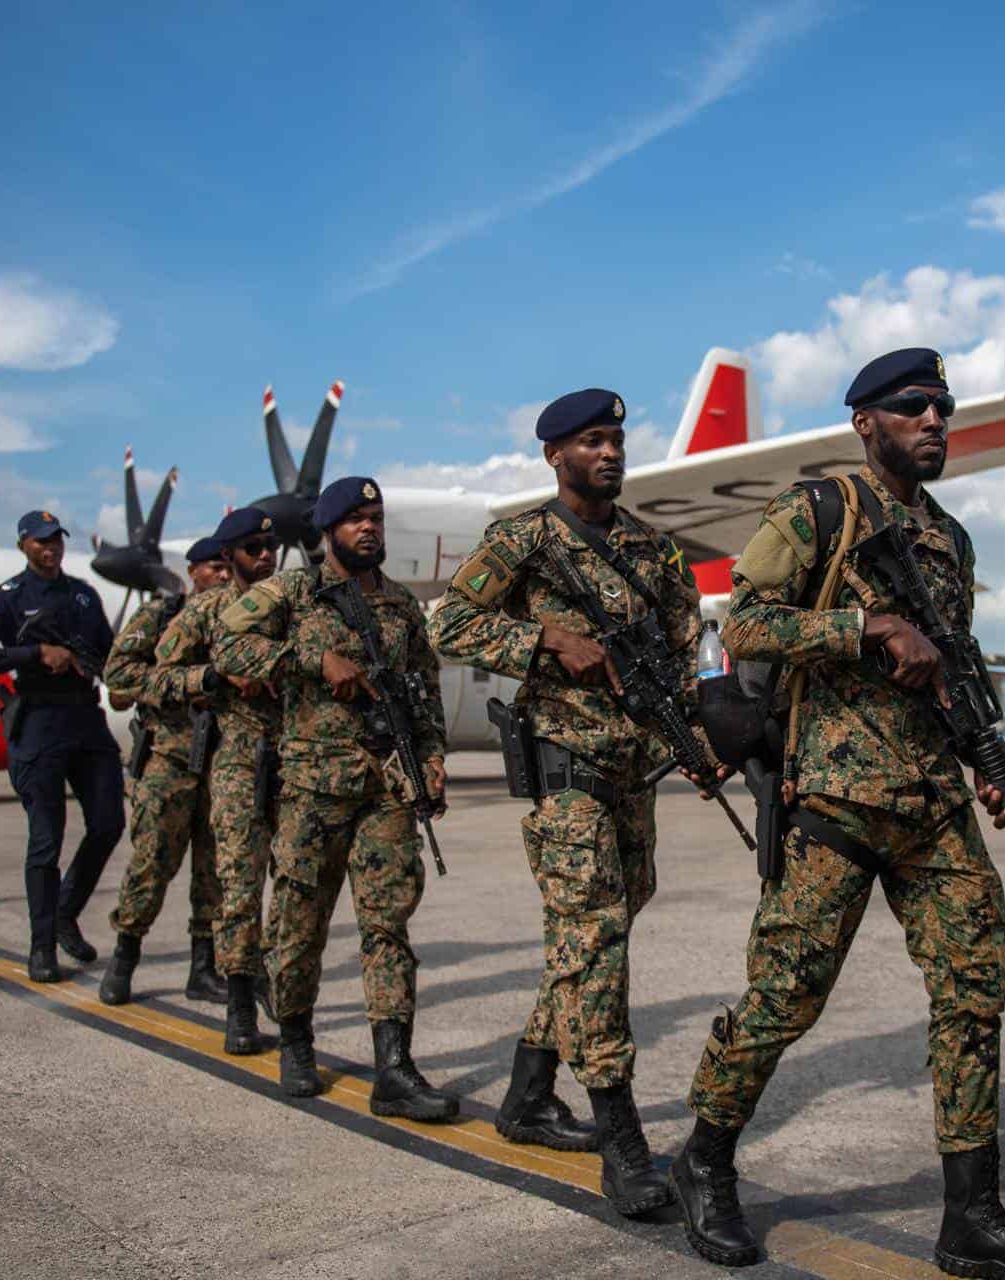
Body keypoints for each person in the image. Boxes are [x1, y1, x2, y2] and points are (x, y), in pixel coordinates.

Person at [675, 349, 1005, 1277]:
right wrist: (862, 626)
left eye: (943, 406)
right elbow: (742, 624)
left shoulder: (949, 540)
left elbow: (955, 667)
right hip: (833, 797)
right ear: (867, 423)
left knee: (977, 981)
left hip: (933, 803)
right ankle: (703, 1158)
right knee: (786, 997)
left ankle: (971, 1215)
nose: (934, 420)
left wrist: (993, 761)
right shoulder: (818, 510)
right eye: (913, 406)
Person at [430, 387, 712, 1212]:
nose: (610, 453)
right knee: (594, 941)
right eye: (592, 441)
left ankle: (526, 1092)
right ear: (555, 455)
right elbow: (447, 625)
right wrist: (545, 640)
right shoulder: (523, 541)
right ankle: (622, 1144)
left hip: (633, 768)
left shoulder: (653, 552)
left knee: (604, 925)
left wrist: (694, 739)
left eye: (617, 440)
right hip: (567, 768)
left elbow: (679, 647)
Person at [213, 476, 454, 1120]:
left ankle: (394, 1069)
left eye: (375, 517)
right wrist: (310, 661)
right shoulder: (293, 591)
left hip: (386, 791)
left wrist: (431, 759)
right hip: (314, 792)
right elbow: (229, 643)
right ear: (327, 531)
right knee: (296, 925)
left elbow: (424, 693)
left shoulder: (402, 606)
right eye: (354, 519)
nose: (368, 527)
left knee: (388, 927)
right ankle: (296, 1041)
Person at [0, 510, 126, 984]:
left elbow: (109, 657)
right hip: (40, 723)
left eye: (56, 540)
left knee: (110, 823)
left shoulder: (84, 596)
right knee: (46, 840)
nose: (51, 547)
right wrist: (33, 654)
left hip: (86, 721)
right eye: (41, 540)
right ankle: (42, 946)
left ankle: (65, 910)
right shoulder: (7, 599)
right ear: (23, 545)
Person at [159, 507, 282, 1054]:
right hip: (235, 763)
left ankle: (272, 975)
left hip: (296, 760)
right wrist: (211, 676)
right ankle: (238, 1007)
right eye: (252, 549)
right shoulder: (205, 610)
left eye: (269, 548)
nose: (264, 557)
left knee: (300, 885)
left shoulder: (294, 604)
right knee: (239, 888)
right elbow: (156, 674)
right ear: (228, 556)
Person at [95, 538, 230, 1007]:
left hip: (221, 764)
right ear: (193, 571)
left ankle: (203, 969)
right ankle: (124, 957)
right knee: (151, 865)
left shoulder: (242, 621)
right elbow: (120, 675)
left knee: (214, 873)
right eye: (215, 567)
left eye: (228, 566)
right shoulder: (160, 616)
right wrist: (192, 682)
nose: (224, 575)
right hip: (169, 763)